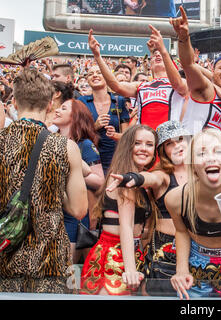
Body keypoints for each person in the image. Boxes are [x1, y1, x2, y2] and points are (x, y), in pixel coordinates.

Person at [0, 68, 88, 293]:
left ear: (15, 103)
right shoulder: (66, 147)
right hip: (49, 262)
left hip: (3, 256)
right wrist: (53, 187)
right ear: (50, 104)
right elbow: (79, 210)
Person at [165, 128, 221, 299]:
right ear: (192, 166)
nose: (211, 158)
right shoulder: (176, 199)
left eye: (218, 151)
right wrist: (181, 270)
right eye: (201, 153)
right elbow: (181, 231)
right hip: (197, 261)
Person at [106, 120, 190, 295]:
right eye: (169, 143)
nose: (176, 146)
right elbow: (150, 178)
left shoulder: (203, 173)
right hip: (150, 254)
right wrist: (135, 178)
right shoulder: (158, 175)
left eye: (180, 139)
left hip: (192, 251)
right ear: (163, 151)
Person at [80, 124, 158, 295]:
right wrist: (130, 270)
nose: (143, 149)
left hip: (131, 254)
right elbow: (126, 225)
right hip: (113, 256)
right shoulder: (123, 176)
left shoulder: (139, 178)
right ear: (128, 146)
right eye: (137, 143)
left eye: (149, 144)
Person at [88, 27, 188, 130]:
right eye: (154, 55)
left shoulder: (182, 83)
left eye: (161, 55)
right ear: (150, 65)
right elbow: (116, 86)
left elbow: (177, 84)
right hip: (146, 141)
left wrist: (163, 50)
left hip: (170, 139)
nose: (157, 55)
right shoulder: (141, 85)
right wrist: (97, 56)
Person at [170, 7, 221, 135]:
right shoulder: (206, 88)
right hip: (190, 152)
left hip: (210, 153)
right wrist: (184, 37)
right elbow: (188, 65)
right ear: (213, 71)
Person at [52, 98, 105, 264]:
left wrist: (73, 171)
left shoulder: (85, 145)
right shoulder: (50, 140)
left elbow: (99, 180)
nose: (57, 110)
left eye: (63, 108)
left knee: (65, 271)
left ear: (75, 116)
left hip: (73, 217)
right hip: (51, 215)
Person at [78, 64, 130, 175]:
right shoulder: (81, 101)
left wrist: (114, 135)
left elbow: (126, 136)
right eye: (90, 74)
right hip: (90, 159)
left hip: (115, 159)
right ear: (87, 79)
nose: (95, 76)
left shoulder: (119, 101)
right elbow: (76, 134)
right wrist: (94, 127)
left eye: (99, 72)